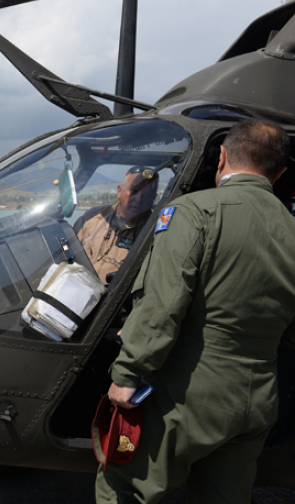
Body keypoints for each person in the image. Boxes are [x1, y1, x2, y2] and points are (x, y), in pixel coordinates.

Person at [95, 119, 295, 504]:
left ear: (221, 157)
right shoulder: (291, 227)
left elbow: (163, 303)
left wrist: (128, 373)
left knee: (124, 487)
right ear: (280, 173)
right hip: (259, 399)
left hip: (188, 393)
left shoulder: (193, 212)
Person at [73, 166, 159, 283]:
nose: (139, 199)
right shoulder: (93, 216)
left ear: (153, 199)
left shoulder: (153, 233)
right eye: (134, 191)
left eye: (147, 195)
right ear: (119, 191)